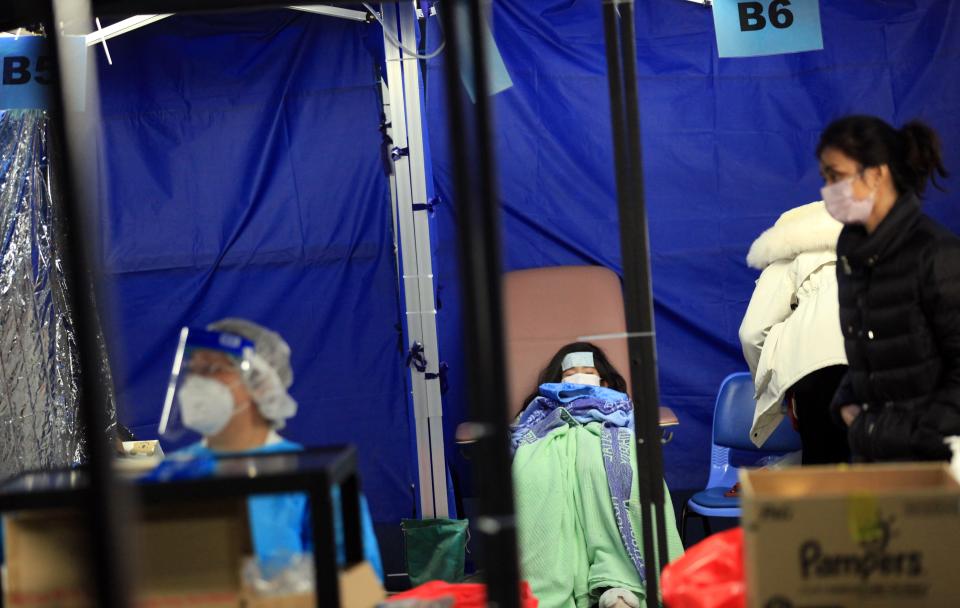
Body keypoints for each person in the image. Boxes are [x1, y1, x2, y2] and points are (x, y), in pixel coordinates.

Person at [167, 318, 383, 581]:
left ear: (260, 384)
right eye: (193, 369)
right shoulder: (171, 473)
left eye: (212, 368)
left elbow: (358, 582)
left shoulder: (312, 476)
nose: (196, 382)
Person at [816, 115, 959, 461]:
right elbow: (872, 350)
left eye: (837, 175)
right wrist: (846, 405)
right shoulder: (851, 254)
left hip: (936, 462)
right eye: (825, 178)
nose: (828, 189)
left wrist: (918, 435)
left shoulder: (935, 252)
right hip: (875, 454)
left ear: (877, 173)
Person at [513, 342, 684, 608]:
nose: (578, 378)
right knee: (537, 476)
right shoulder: (541, 405)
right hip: (555, 446)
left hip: (608, 442)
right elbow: (520, 433)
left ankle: (621, 585)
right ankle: (567, 585)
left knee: (605, 467)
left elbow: (637, 431)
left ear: (603, 381)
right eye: (570, 375)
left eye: (587, 371)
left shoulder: (620, 405)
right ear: (557, 381)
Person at [739, 201, 850, 464]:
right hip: (883, 362)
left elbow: (752, 334)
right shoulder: (883, 249)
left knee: (822, 479)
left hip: (816, 370)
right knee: (885, 479)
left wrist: (781, 393)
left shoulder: (792, 256)